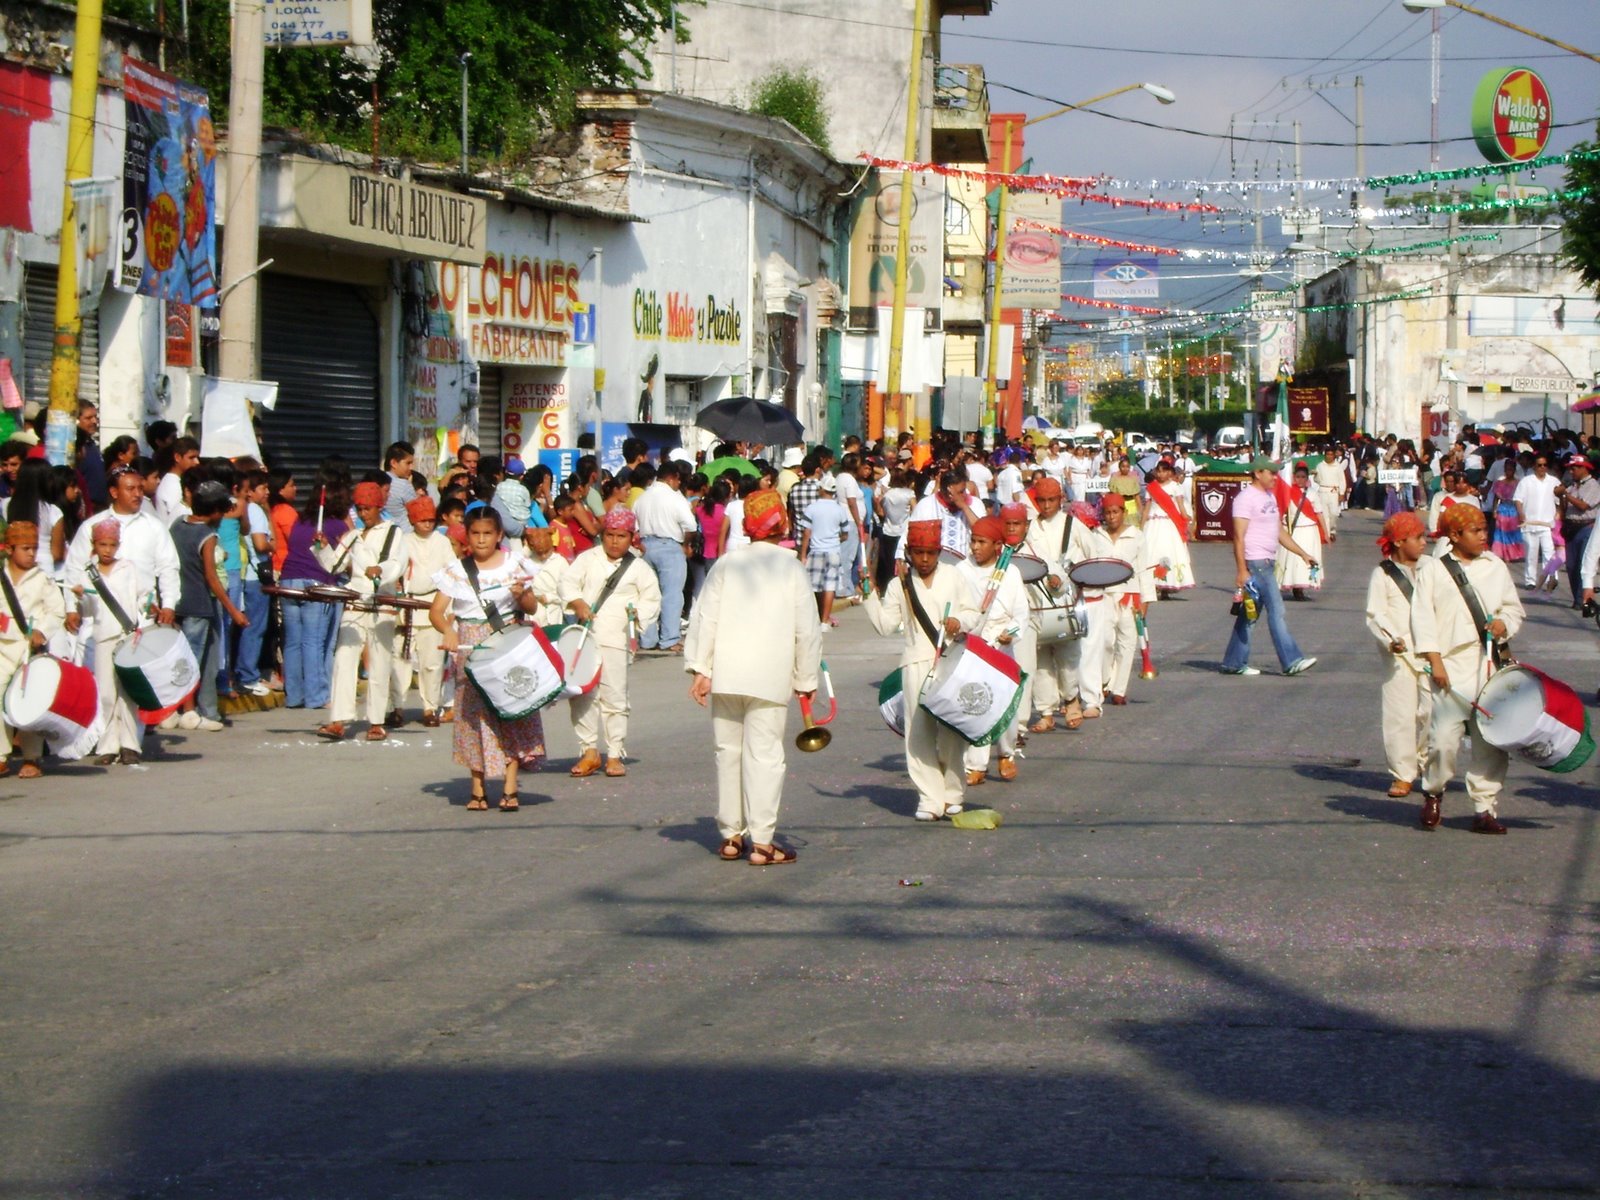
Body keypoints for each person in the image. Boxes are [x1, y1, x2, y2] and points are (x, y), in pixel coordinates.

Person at [685, 490, 822, 866]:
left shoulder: (727, 564)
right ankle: (762, 842)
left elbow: (704, 617)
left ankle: (732, 836)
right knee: (764, 756)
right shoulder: (791, 568)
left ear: (747, 527)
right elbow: (806, 630)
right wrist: (806, 678)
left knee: (727, 753)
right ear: (782, 524)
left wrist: (701, 669)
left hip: (727, 675)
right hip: (769, 677)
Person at [1413, 504, 1524, 834]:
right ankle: (1433, 792)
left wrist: (1505, 624)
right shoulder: (1433, 570)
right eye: (1475, 531)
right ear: (1454, 535)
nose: (1483, 536)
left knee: (1491, 745)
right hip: (1449, 667)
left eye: (1483, 529)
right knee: (1443, 740)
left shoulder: (1496, 567)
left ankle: (1485, 808)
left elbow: (1513, 610)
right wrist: (1435, 662)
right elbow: (1422, 618)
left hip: (1489, 667)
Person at [428, 506, 545, 811]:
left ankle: (510, 785)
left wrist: (522, 595)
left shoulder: (515, 565)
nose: (481, 540)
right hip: (470, 643)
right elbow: (436, 611)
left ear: (499, 536)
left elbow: (531, 607)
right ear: (467, 535)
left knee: (511, 709)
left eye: (487, 534)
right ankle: (477, 787)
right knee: (473, 715)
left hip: (508, 639)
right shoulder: (456, 571)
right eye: (475, 534)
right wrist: (449, 631)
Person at [863, 519, 979, 821]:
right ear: (909, 552)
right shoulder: (899, 583)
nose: (924, 559)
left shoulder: (954, 576)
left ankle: (953, 792)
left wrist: (959, 623)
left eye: (930, 552)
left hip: (951, 660)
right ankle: (930, 797)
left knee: (953, 730)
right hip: (915, 662)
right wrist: (868, 593)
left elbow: (972, 612)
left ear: (939, 551)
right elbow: (885, 625)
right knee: (919, 733)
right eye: (918, 553)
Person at [558, 507, 662, 778]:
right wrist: (578, 603)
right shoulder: (587, 559)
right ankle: (589, 750)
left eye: (622, 536)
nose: (615, 542)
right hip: (585, 638)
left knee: (615, 696)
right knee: (583, 695)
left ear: (631, 537)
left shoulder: (639, 568)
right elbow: (567, 583)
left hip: (616, 639)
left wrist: (635, 614)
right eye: (610, 535)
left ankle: (614, 753)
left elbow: (651, 599)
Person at [315, 481, 406, 741]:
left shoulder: (393, 532)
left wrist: (381, 570)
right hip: (355, 603)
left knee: (380, 662)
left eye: (368, 508)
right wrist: (322, 547)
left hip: (382, 604)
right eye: (360, 508)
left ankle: (376, 721)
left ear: (379, 507)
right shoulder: (352, 536)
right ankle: (338, 720)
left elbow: (397, 563)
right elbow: (334, 566)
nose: (364, 513)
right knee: (344, 659)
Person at [1221, 456, 1317, 678]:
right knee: (1277, 611)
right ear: (1257, 473)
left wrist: (1302, 553)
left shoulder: (1269, 497)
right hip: (1256, 563)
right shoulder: (1245, 499)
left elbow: (1279, 532)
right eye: (1271, 473)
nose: (1275, 477)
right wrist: (1242, 570)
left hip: (1268, 560)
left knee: (1249, 614)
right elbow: (1238, 536)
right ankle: (1291, 660)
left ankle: (1233, 661)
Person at [170, 479, 248, 731]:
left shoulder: (177, 526)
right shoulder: (208, 534)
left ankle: (203, 710)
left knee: (191, 658)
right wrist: (234, 611)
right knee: (193, 661)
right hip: (200, 604)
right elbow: (211, 577)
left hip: (178, 601)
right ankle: (190, 710)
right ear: (214, 511)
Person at [1364, 512, 1431, 800]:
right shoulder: (1382, 573)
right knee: (1400, 716)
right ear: (1401, 541)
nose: (1424, 543)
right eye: (1418, 538)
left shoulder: (1432, 568)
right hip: (1399, 655)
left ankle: (1430, 767)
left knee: (1432, 713)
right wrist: (1392, 640)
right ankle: (1403, 773)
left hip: (1431, 652)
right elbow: (1376, 614)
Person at [956, 515, 1027, 786]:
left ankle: (1006, 753)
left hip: (1001, 644)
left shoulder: (1010, 572)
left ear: (997, 545)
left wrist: (1012, 634)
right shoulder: (961, 570)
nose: (975, 547)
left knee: (1005, 706)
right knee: (976, 704)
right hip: (972, 646)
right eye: (973, 541)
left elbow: (1021, 614)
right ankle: (976, 764)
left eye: (981, 542)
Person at [74, 517, 152, 765]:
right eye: (103, 545)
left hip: (127, 634)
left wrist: (151, 605)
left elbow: (143, 595)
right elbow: (87, 609)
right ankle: (107, 745)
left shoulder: (128, 567)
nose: (107, 550)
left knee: (127, 693)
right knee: (106, 693)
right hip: (103, 636)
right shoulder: (88, 573)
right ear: (94, 545)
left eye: (112, 545)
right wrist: (78, 598)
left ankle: (130, 745)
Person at [277, 480, 350, 713]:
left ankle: (294, 695)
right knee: (314, 641)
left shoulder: (300, 521)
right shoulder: (337, 526)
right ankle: (317, 696)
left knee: (293, 642)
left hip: (288, 580)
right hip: (315, 583)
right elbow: (346, 560)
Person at [0, 522, 64, 778]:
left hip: (29, 650)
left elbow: (56, 610)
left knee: (29, 701)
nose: (31, 554)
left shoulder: (42, 579)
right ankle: (1, 754)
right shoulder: (1, 576)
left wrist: (43, 632)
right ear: (8, 549)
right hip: (3, 647)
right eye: (25, 548)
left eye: (35, 548)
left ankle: (32, 757)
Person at [390, 495, 455, 727]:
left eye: (430, 520)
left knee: (433, 662)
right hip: (407, 605)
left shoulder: (442, 541)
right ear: (412, 520)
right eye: (422, 520)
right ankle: (396, 707)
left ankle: (430, 707)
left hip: (433, 604)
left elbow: (452, 572)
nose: (427, 524)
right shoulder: (403, 541)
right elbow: (394, 569)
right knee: (400, 660)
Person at [632, 461, 695, 653]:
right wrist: (686, 545)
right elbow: (691, 526)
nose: (679, 484)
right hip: (669, 546)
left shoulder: (642, 498)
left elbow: (633, 527)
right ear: (671, 478)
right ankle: (669, 639)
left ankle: (648, 639)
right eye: (678, 480)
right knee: (672, 595)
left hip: (645, 546)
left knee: (648, 594)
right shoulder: (675, 498)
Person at [1098, 494, 1154, 706]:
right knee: (1104, 642)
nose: (1111, 517)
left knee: (1127, 643)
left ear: (1124, 513)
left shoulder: (1136, 536)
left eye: (1115, 512)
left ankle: (1119, 689)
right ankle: (1104, 682)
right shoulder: (1096, 536)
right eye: (1107, 513)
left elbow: (1144, 570)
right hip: (1103, 595)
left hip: (1130, 596)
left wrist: (1145, 601)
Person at [799, 474, 850, 628]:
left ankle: (814, 617)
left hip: (816, 551)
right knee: (830, 586)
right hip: (834, 552)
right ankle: (825, 620)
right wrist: (836, 540)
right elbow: (845, 533)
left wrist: (802, 555)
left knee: (813, 587)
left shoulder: (812, 508)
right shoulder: (839, 509)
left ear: (821, 489)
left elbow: (806, 533)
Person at [1141, 457, 1195, 595]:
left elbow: (1181, 507)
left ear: (1169, 473)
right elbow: (1146, 509)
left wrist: (1187, 520)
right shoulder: (1151, 488)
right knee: (1151, 553)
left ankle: (1166, 585)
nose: (1160, 474)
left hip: (1169, 524)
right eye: (1158, 471)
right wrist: (1141, 527)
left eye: (1164, 471)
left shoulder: (1175, 487)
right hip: (1152, 524)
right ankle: (1153, 584)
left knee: (1168, 552)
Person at [1276, 462, 1326, 601]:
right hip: (1293, 531)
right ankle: (1293, 585)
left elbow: (1319, 513)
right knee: (1293, 559)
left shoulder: (1312, 494)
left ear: (1307, 478)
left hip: (1309, 531)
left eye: (1303, 477)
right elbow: (1281, 512)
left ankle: (1302, 588)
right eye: (1297, 476)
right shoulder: (1287, 492)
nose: (1300, 480)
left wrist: (1326, 532)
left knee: (1307, 559)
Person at [1556, 454, 1599, 608]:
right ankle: (1577, 598)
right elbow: (1565, 505)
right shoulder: (1573, 485)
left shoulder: (1593, 485)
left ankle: (1583, 599)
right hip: (1571, 527)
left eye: (1574, 468)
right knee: (1571, 565)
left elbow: (1583, 506)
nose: (1572, 471)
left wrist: (1566, 494)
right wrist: (1561, 495)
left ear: (1584, 468)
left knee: (1583, 562)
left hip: (1586, 527)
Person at [1512, 454, 1559, 588]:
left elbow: (1560, 500)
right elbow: (1518, 499)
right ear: (1534, 466)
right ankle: (1530, 581)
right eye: (1539, 465)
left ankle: (1550, 579)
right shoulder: (1526, 481)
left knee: (1549, 553)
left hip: (1547, 524)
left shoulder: (1554, 481)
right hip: (1529, 524)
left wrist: (1559, 514)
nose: (1542, 468)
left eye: (1544, 465)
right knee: (1531, 554)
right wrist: (1521, 513)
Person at [155, 436, 200, 526]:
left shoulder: (178, 481)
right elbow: (179, 519)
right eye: (191, 458)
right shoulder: (172, 485)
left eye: (197, 457)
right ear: (177, 457)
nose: (197, 462)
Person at [1488, 460, 1524, 565]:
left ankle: (1513, 554)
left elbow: (1521, 499)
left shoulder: (1518, 483)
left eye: (1511, 469)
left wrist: (1521, 512)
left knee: (1513, 532)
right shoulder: (1499, 483)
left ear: (1514, 470)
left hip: (1513, 509)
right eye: (1507, 469)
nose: (1509, 472)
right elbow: (1496, 498)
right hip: (1502, 509)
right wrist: (1494, 510)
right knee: (1502, 532)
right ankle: (1504, 554)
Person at [1311, 447, 1347, 541]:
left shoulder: (1338, 466)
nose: (1329, 456)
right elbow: (1317, 480)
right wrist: (1315, 475)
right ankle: (1327, 534)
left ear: (1334, 455)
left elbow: (1342, 480)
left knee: (1334, 513)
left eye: (1331, 454)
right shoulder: (1320, 466)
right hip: (1323, 491)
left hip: (1334, 491)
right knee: (1325, 514)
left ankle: (1332, 530)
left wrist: (1342, 493)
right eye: (1328, 454)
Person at [380, 441, 417, 531]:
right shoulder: (404, 485)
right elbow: (416, 514)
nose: (411, 468)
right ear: (393, 463)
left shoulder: (377, 481)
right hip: (403, 533)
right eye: (408, 463)